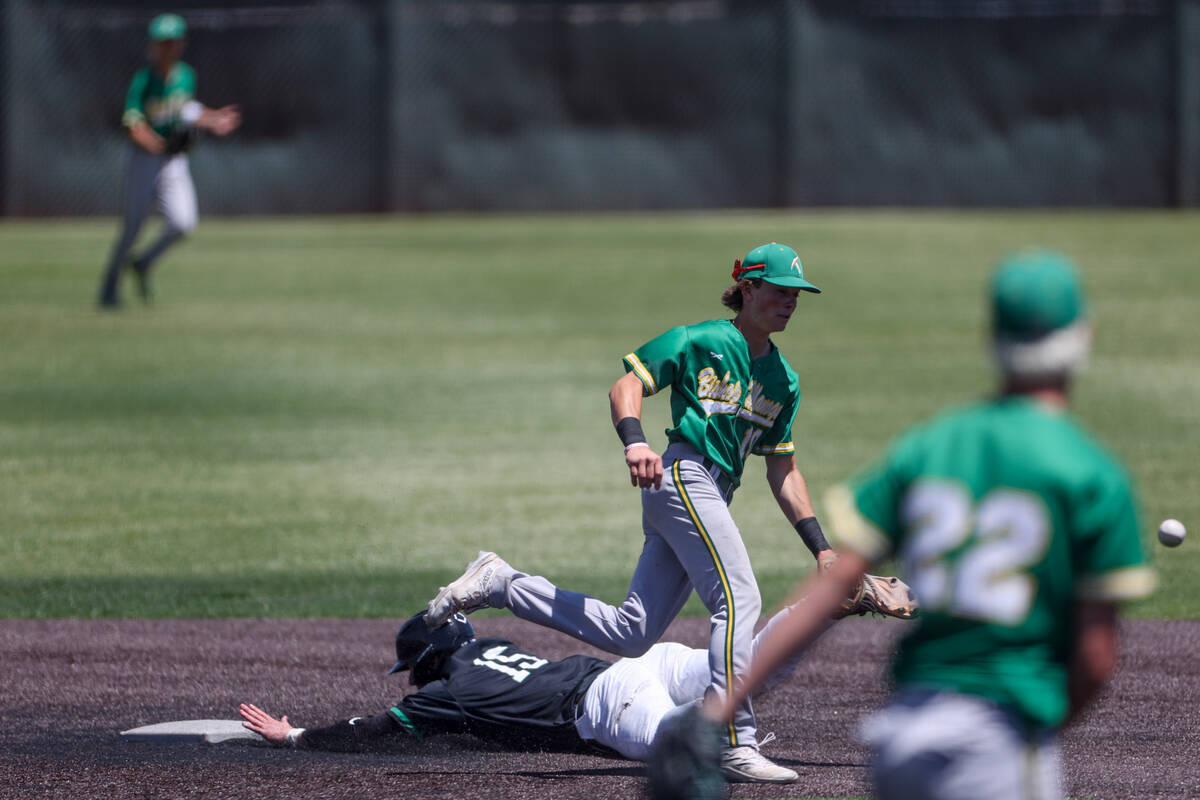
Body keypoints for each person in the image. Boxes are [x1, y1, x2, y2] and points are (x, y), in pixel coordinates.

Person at [697, 249, 1156, 800]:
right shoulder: (1093, 474)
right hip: (998, 743)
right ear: (1082, 338)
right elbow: (1097, 659)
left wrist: (717, 713)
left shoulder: (931, 447)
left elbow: (833, 588)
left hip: (904, 736)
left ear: (994, 338)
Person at [423, 243, 841, 783]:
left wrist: (823, 549)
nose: (790, 302)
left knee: (632, 633)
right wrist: (634, 443)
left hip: (711, 491)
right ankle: (733, 739)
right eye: (780, 290)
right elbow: (627, 385)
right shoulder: (700, 340)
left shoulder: (784, 380)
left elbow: (783, 471)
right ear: (748, 287)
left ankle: (501, 582)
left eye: (797, 295)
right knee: (739, 598)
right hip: (683, 477)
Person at [239, 602, 843, 760]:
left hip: (613, 705)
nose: (413, 683)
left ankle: (723, 734)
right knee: (751, 664)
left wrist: (295, 736)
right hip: (641, 666)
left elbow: (372, 729)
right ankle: (825, 602)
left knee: (696, 741)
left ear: (426, 663)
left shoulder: (448, 696)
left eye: (413, 671)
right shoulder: (495, 649)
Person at [96, 12, 241, 309]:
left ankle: (144, 263)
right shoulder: (144, 80)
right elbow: (133, 125)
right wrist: (158, 145)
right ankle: (109, 288)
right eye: (164, 42)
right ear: (154, 45)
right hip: (143, 161)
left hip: (172, 162)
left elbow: (187, 110)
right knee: (133, 229)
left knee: (183, 223)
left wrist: (213, 120)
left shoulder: (186, 76)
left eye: (174, 41)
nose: (170, 47)